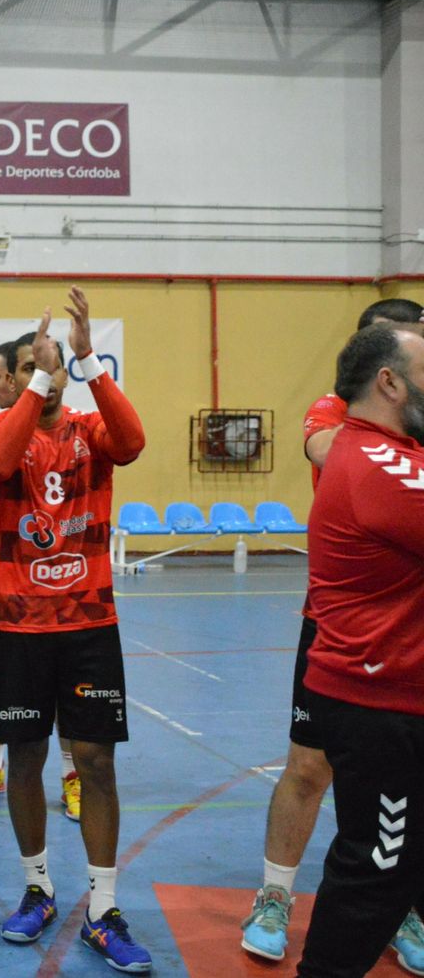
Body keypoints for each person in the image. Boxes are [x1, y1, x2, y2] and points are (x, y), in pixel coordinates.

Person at [0, 289, 150, 971]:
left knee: (96, 762)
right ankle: (37, 886)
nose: (41, 372)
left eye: (45, 364)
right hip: (19, 627)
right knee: (25, 758)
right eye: (26, 366)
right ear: (15, 377)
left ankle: (103, 906)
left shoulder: (86, 431)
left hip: (89, 623)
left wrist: (87, 361)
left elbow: (131, 442)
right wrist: (39, 378)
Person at [242, 297, 424, 967]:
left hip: (393, 674)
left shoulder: (396, 446)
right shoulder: (370, 447)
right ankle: (276, 895)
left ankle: (400, 905)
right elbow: (324, 441)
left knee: (393, 854)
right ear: (389, 377)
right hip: (367, 676)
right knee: (351, 833)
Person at [295, 323, 424, 977]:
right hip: (379, 705)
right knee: (377, 867)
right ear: (390, 381)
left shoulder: (383, 448)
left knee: (395, 863)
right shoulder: (382, 462)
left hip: (391, 695)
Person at [0, 337, 80, 820]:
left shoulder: (77, 431)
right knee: (4, 675)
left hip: (69, 578)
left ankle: (73, 774)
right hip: (12, 578)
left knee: (69, 683)